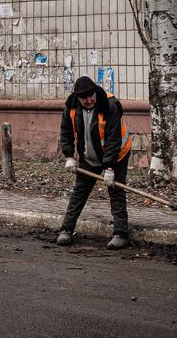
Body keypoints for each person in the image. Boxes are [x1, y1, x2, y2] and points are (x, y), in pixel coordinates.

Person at [56, 76, 133, 250]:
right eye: (85, 98)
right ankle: (66, 229)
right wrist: (69, 155)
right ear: (78, 97)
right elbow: (66, 130)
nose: (89, 100)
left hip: (116, 156)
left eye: (91, 96)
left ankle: (120, 234)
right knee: (79, 191)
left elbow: (113, 139)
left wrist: (110, 168)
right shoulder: (71, 105)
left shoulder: (110, 105)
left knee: (116, 191)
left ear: (94, 91)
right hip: (89, 156)